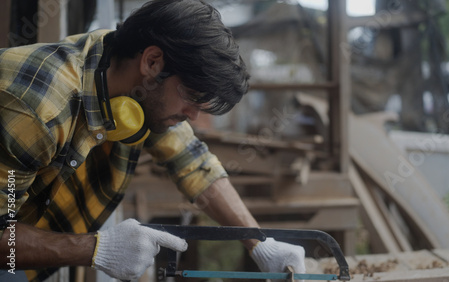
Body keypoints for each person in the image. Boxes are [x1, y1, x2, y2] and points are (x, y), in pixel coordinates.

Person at [0, 0, 306, 281]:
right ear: (153, 62)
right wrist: (95, 248)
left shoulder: (125, 73)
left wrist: (261, 243)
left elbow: (192, 160)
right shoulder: (35, 110)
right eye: (192, 97)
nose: (194, 116)